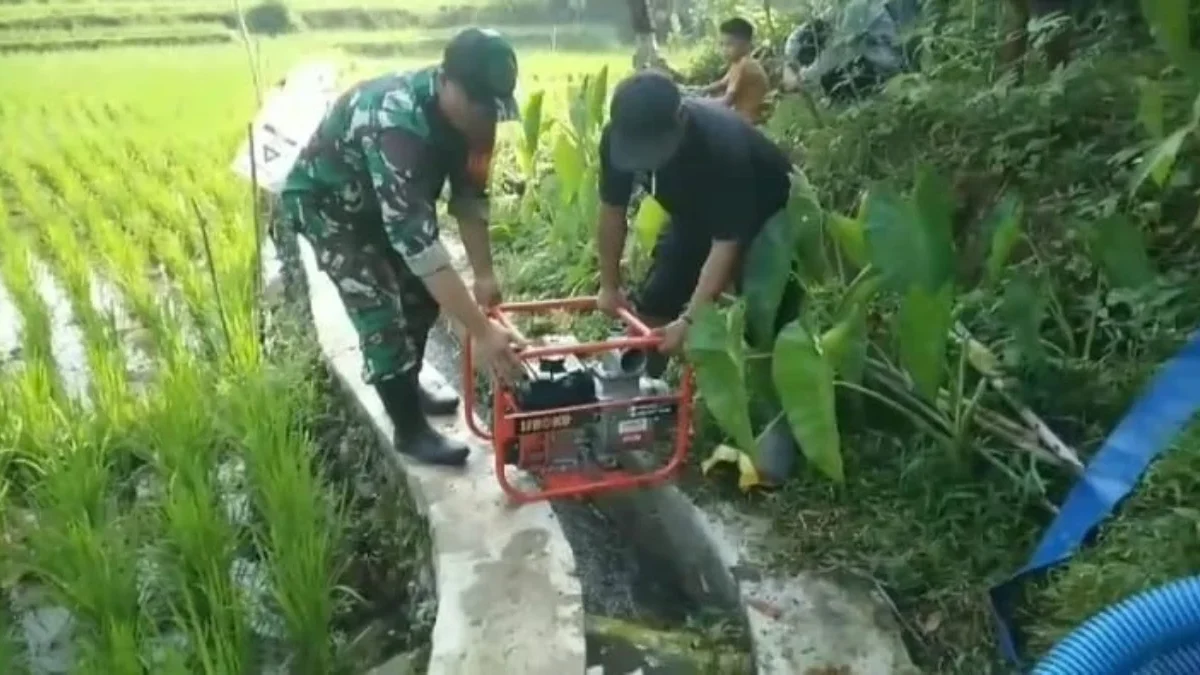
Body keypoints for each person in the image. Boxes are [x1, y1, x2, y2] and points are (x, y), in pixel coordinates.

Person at [280, 27, 526, 467]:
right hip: (331, 209)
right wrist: (482, 332)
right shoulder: (397, 122)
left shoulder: (478, 122)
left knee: (420, 298)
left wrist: (484, 275)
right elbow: (420, 246)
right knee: (380, 310)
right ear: (447, 82)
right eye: (479, 105)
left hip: (388, 207)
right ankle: (409, 430)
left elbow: (470, 199)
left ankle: (408, 384)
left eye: (495, 108)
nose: (487, 118)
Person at [595, 69, 801, 369]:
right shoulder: (615, 138)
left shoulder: (721, 146)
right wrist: (609, 286)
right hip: (692, 214)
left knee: (765, 319)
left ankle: (762, 389)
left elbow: (726, 242)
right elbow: (612, 210)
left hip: (768, 218)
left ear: (679, 120)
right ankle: (642, 390)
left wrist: (690, 319)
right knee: (657, 299)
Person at [697, 17, 769, 124]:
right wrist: (697, 90)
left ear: (746, 45)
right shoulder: (741, 62)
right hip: (747, 118)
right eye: (722, 44)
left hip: (747, 121)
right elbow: (721, 84)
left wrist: (698, 103)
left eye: (729, 44)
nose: (724, 50)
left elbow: (726, 101)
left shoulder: (743, 66)